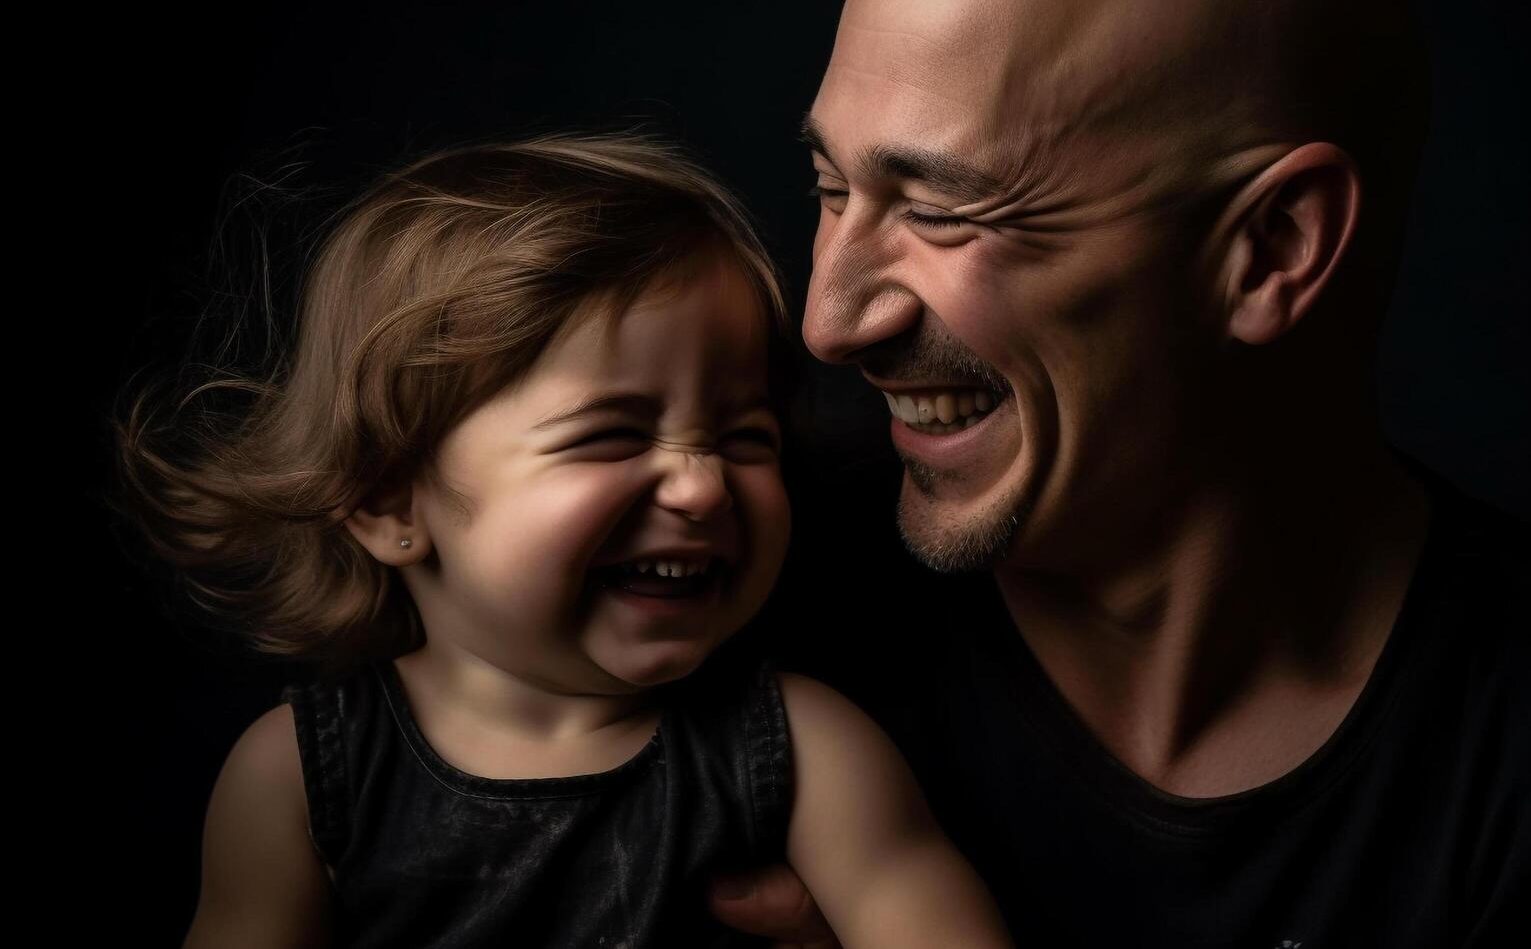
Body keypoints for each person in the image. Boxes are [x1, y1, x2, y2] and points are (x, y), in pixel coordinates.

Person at [707, 0, 1531, 945]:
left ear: (1271, 244)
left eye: (940, 209)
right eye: (831, 188)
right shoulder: (725, 596)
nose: (828, 320)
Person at [114, 134, 1013, 948]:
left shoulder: (809, 750)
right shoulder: (300, 781)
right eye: (610, 434)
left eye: (747, 439)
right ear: (391, 502)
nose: (702, 485)